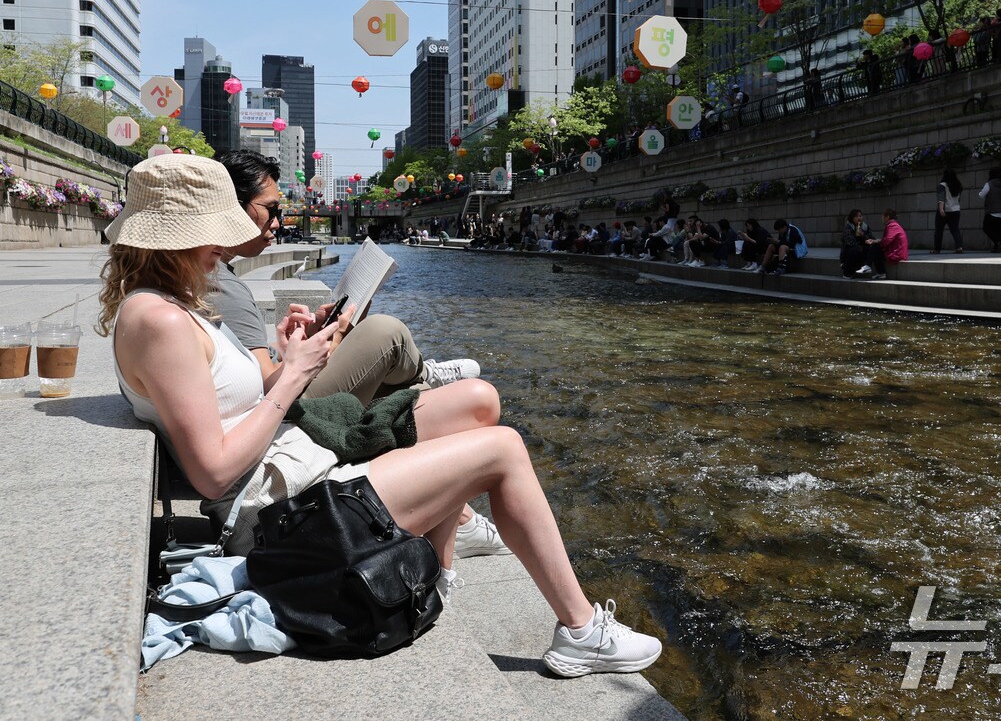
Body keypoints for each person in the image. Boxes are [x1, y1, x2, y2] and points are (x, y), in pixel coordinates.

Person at [103, 155, 662, 677]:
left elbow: (229, 404)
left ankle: (436, 576)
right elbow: (214, 473)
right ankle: (582, 632)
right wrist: (295, 372)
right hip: (271, 517)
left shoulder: (169, 306)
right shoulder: (162, 321)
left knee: (470, 408)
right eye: (216, 231)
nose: (224, 246)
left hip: (292, 472)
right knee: (504, 448)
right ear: (183, 237)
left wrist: (285, 352)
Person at [209, 153, 502, 558]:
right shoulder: (220, 285)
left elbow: (254, 381)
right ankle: (422, 383)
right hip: (278, 434)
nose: (279, 223)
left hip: (269, 426)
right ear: (229, 207)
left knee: (435, 380)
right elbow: (269, 388)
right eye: (272, 210)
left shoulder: (209, 280)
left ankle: (457, 504)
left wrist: (305, 343)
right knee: (388, 333)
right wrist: (336, 336)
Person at [978, 167, 1001, 252]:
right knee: (998, 230)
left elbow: (981, 195)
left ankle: (999, 240)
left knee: (986, 228)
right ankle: (997, 247)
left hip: (991, 211)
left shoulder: (989, 184)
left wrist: (981, 193)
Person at [839, 209, 885, 279]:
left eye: (860, 216)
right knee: (856, 249)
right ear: (852, 218)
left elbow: (871, 237)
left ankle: (881, 272)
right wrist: (860, 238)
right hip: (850, 251)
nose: (859, 218)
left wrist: (865, 237)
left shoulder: (864, 226)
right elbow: (850, 242)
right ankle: (847, 273)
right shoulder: (848, 227)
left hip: (862, 250)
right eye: (856, 216)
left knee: (876, 246)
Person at [933, 168, 964, 253]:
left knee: (939, 230)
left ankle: (937, 249)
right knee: (955, 229)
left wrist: (941, 209)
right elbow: (958, 199)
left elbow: (941, 198)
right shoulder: (958, 185)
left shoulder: (942, 185)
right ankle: (959, 247)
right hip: (955, 210)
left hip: (945, 210)